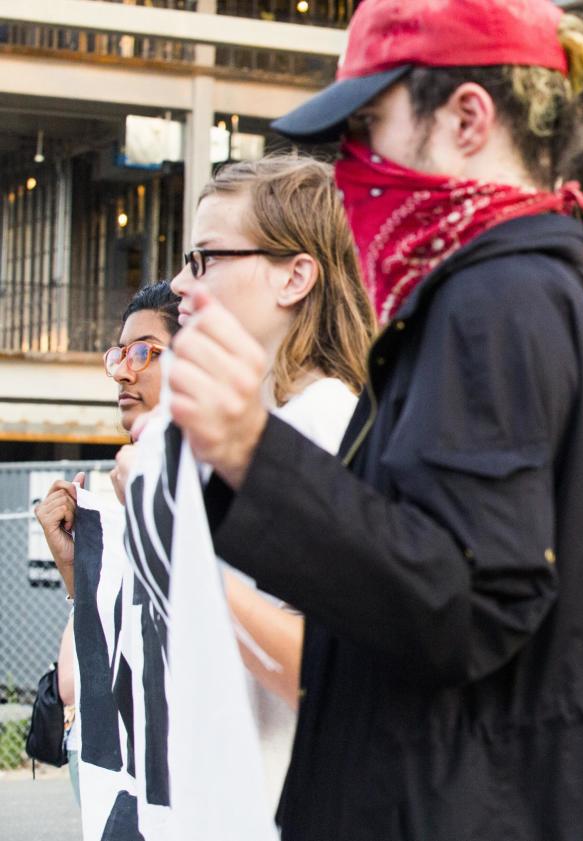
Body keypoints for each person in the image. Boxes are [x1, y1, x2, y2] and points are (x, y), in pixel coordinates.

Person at [164, 2, 583, 839]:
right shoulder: (509, 291)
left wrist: (252, 452)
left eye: (373, 124)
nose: (356, 165)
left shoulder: (491, 300)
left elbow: (465, 598)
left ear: (468, 115)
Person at [165, 153, 375, 809]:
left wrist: (188, 561)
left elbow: (330, 671)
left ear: (295, 277)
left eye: (206, 259)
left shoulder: (328, 424)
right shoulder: (281, 421)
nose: (179, 283)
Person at [33, 280, 181, 808]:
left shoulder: (217, 485)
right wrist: (80, 575)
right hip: (127, 775)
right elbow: (99, 673)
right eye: (119, 353)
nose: (122, 369)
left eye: (143, 352)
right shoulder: (124, 487)